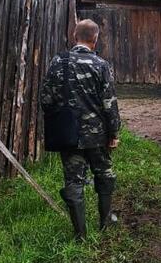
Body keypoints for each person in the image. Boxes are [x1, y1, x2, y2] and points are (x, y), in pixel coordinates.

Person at [40, 19, 121, 240]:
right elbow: (109, 103)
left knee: (73, 181)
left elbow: (46, 99)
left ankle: (80, 235)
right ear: (95, 39)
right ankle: (105, 223)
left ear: (75, 36)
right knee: (104, 174)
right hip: (98, 136)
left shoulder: (59, 61)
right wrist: (114, 133)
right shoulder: (101, 65)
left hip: (69, 135)